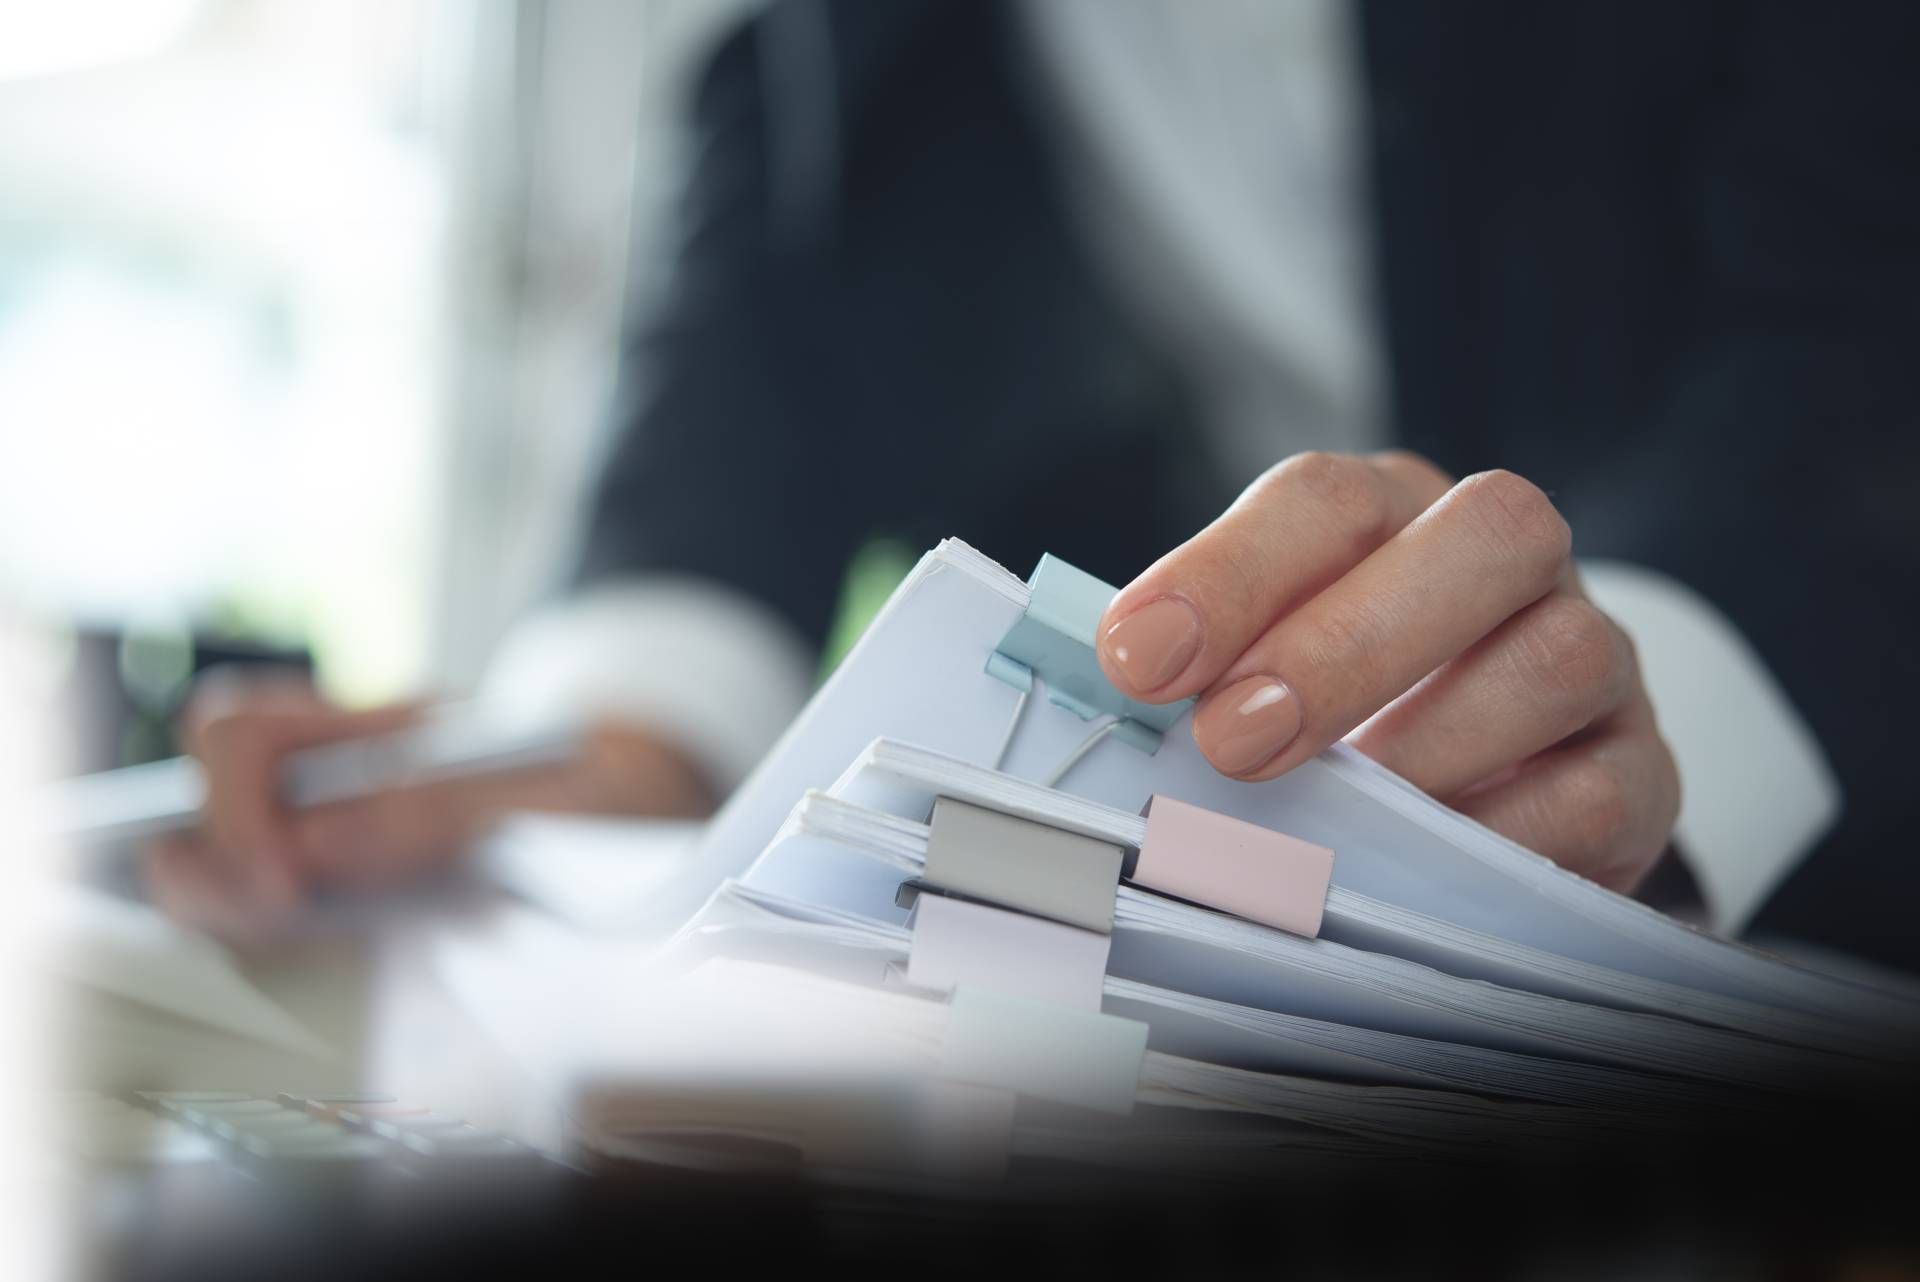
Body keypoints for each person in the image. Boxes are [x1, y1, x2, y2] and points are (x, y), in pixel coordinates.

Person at [147, 0, 1920, 970]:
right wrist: (585, 760)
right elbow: (707, 479)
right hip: (1184, 985)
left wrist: (1607, 720)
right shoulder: (821, 51)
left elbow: (1862, 336)